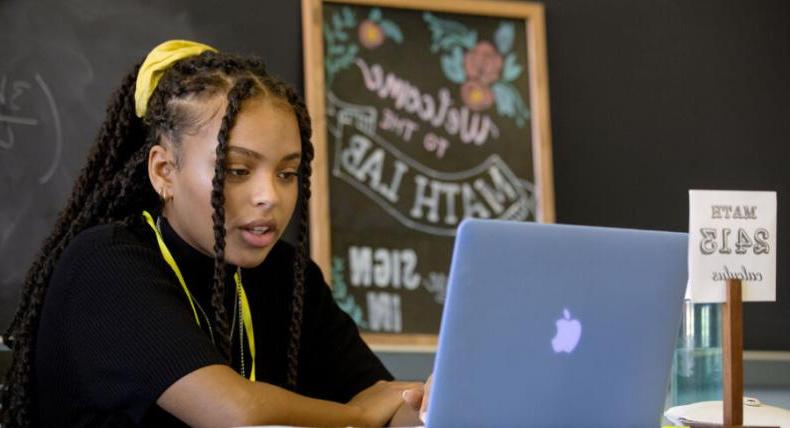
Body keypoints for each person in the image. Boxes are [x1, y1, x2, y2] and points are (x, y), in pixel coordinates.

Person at [0, 40, 430, 427]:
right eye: (237, 171)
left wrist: (423, 406)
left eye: (287, 173)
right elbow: (234, 413)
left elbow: (388, 403)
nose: (270, 196)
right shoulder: (107, 265)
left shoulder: (289, 276)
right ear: (164, 171)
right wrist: (356, 417)